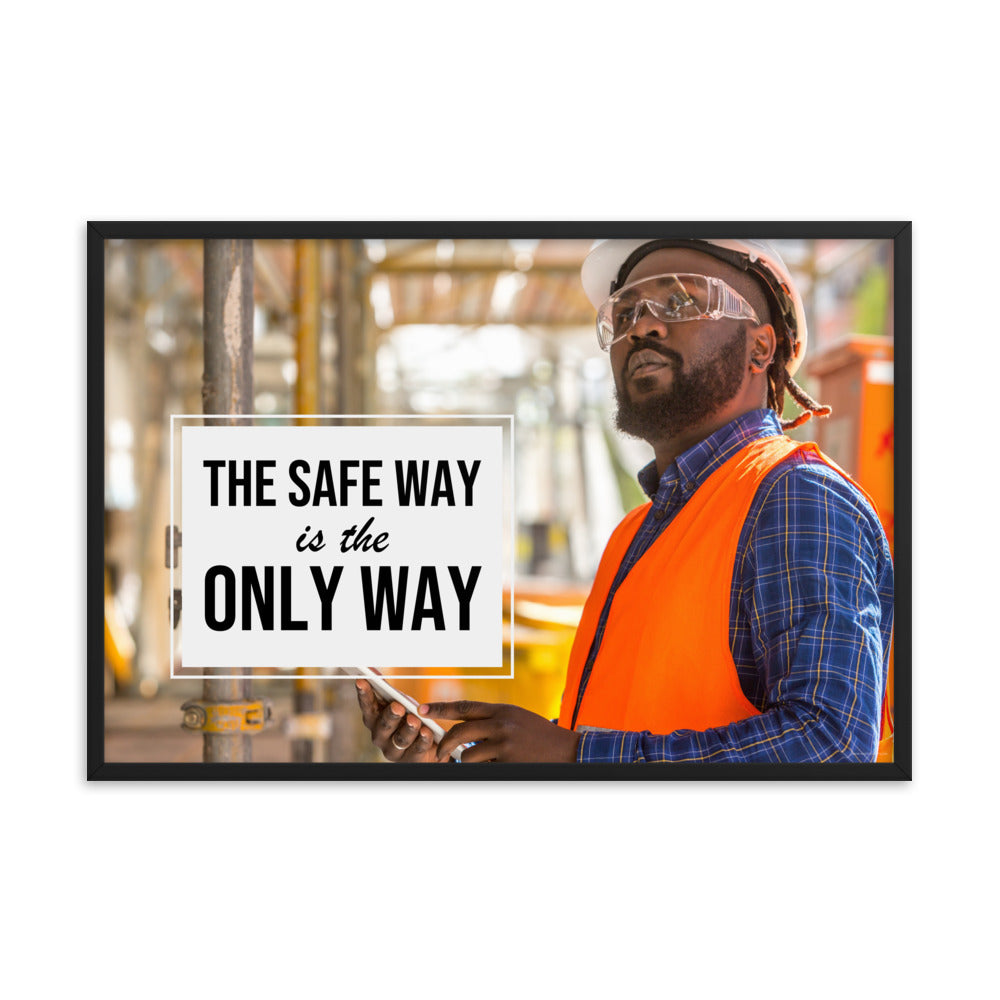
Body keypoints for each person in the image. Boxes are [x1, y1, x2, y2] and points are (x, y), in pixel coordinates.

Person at [355, 238, 894, 764]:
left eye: (681, 300)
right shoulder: (636, 533)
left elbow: (831, 745)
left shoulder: (797, 496)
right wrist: (453, 758)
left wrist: (572, 754)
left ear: (761, 347)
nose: (643, 326)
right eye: (626, 312)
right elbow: (620, 724)